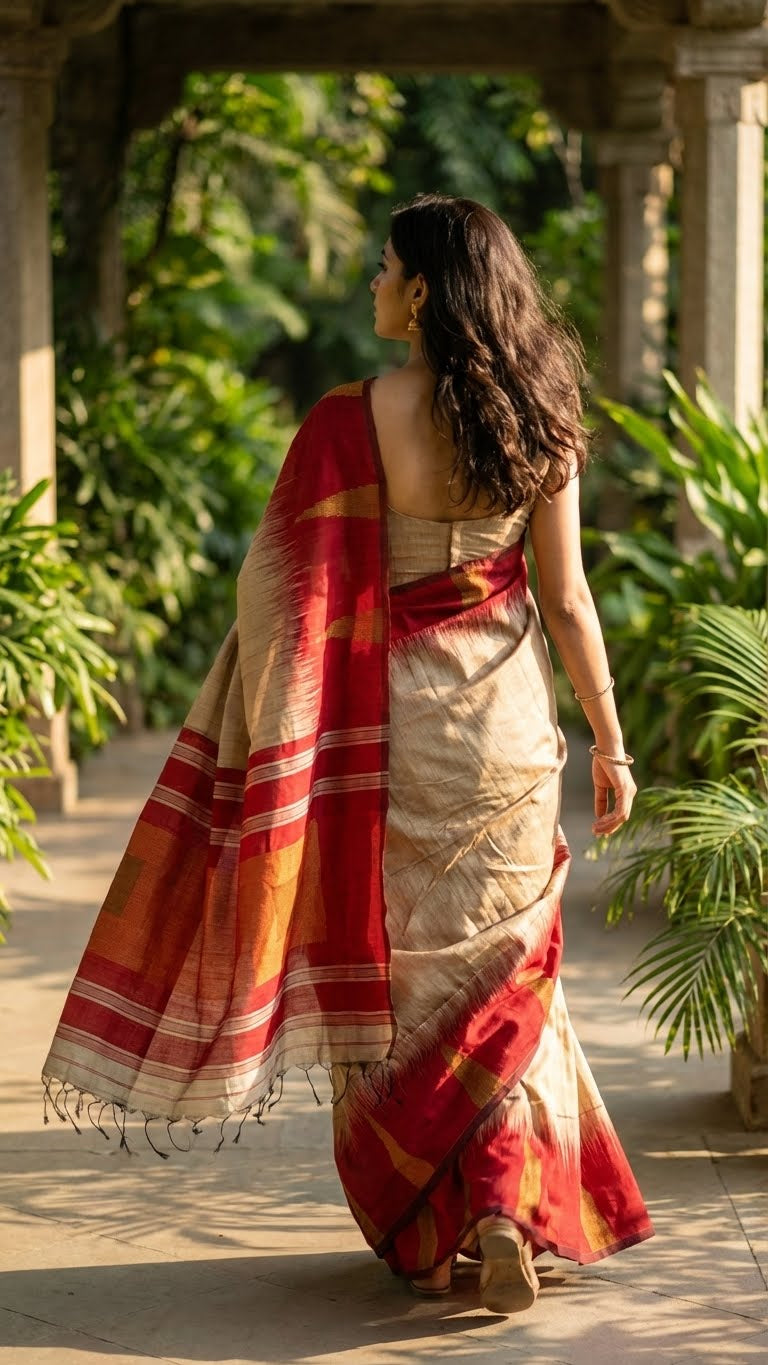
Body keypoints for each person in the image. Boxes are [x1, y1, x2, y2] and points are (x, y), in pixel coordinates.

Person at [43, 193, 653, 1317]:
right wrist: (610, 739)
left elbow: (275, 586)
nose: (371, 284)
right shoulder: (546, 411)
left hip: (390, 730)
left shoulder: (348, 419)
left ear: (421, 292)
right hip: (506, 726)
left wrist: (281, 705)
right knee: (510, 975)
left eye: (383, 268)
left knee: (408, 981)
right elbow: (569, 599)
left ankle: (444, 1214)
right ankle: (505, 1206)